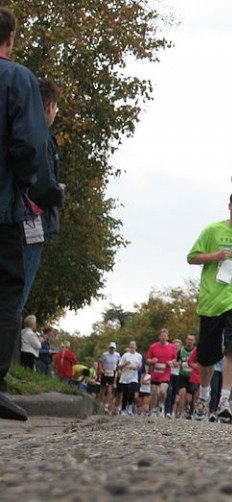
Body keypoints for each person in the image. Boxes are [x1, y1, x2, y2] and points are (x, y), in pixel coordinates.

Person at [0, 7, 56, 420]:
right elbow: (30, 145)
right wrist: (26, 182)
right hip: (3, 206)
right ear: (11, 38)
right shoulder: (18, 78)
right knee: (6, 290)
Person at [186, 191, 232, 422]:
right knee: (207, 355)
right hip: (212, 299)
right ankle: (204, 398)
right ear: (229, 207)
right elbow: (191, 257)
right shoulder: (213, 230)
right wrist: (216, 255)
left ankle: (224, 399)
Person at [21, 77, 64, 311]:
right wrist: (59, 192)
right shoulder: (42, 138)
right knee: (17, 298)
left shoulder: (15, 131)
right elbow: (43, 186)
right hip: (31, 223)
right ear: (49, 108)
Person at [145, 328, 176, 416]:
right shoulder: (153, 346)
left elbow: (174, 358)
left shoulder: (171, 347)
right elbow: (147, 359)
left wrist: (172, 362)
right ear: (159, 337)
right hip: (155, 373)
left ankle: (161, 404)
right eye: (161, 336)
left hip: (165, 373)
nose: (163, 337)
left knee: (162, 391)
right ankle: (153, 410)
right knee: (154, 393)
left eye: (165, 336)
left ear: (167, 337)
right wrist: (152, 361)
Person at [117, 341, 142, 415]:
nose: (132, 347)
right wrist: (125, 364)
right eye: (131, 345)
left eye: (134, 345)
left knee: (132, 390)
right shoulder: (125, 355)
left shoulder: (139, 356)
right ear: (129, 347)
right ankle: (124, 408)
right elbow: (119, 366)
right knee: (125, 393)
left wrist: (137, 367)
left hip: (134, 376)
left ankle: (130, 406)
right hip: (125, 377)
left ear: (136, 347)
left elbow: (139, 366)